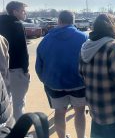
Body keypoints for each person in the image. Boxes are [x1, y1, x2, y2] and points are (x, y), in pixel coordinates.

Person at [35, 10, 88, 138]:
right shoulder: (84, 38)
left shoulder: (45, 40)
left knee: (59, 112)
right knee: (80, 112)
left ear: (59, 21)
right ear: (73, 21)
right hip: (79, 84)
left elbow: (39, 66)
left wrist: (46, 81)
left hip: (54, 85)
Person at [0, 1, 29, 120]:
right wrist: (25, 70)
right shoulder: (17, 24)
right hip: (15, 69)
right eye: (22, 11)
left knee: (5, 103)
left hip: (2, 70)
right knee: (18, 104)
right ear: (15, 11)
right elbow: (22, 51)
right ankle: (19, 132)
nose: (25, 13)